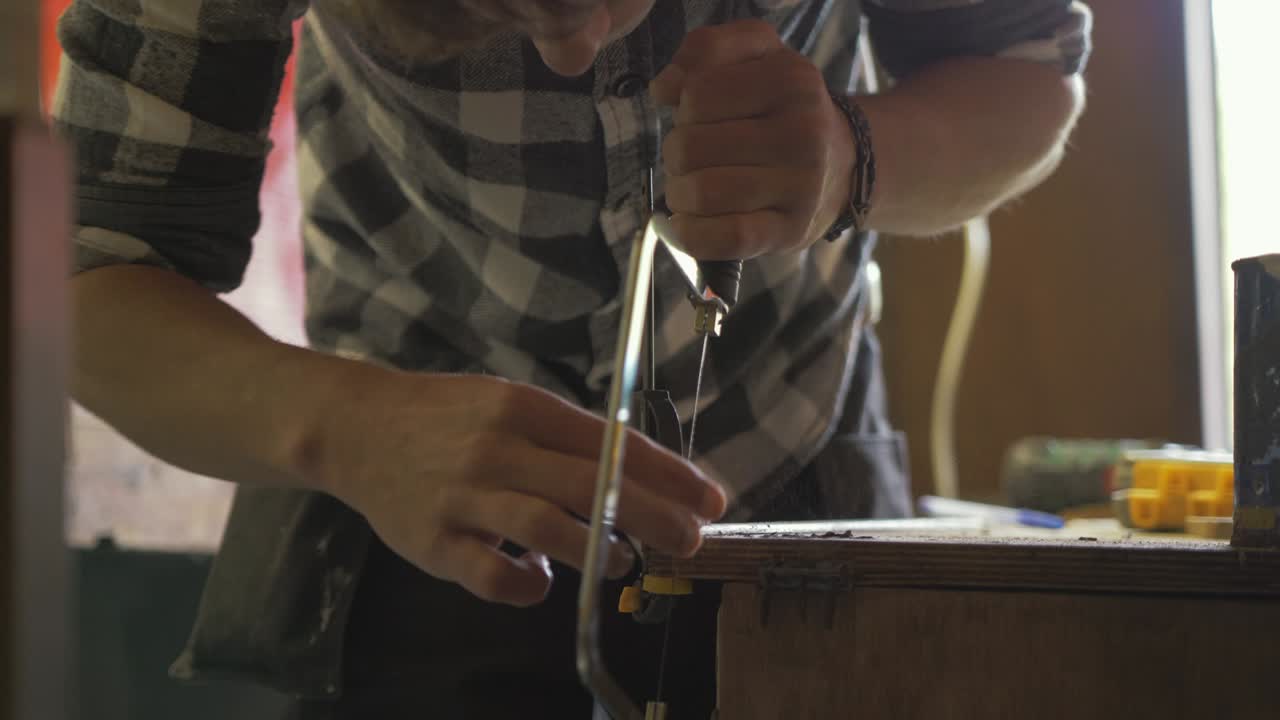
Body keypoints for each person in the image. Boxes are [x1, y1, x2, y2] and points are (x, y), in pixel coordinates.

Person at [55, 0, 1092, 716]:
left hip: (794, 445)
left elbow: (1025, 73)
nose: (576, 49)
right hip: (405, 508)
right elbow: (86, 278)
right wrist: (343, 426)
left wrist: (855, 161)